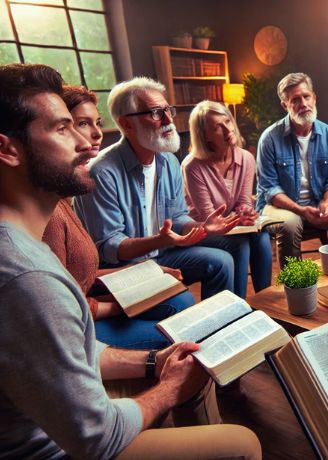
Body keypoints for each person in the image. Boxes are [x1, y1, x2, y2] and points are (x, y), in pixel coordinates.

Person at [0, 63, 260, 459]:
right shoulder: (28, 276)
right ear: (7, 149)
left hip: (157, 258)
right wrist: (169, 386)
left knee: (217, 270)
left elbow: (81, 347)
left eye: (86, 124)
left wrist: (156, 362)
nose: (88, 141)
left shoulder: (28, 245)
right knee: (244, 443)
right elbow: (95, 438)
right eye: (62, 128)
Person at [42, 85, 196, 349]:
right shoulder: (52, 213)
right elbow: (61, 308)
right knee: (186, 328)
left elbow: (82, 275)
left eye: (97, 122)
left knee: (184, 301)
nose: (96, 134)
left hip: (97, 294)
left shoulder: (64, 198)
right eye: (75, 125)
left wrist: (146, 272)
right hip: (78, 326)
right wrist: (123, 303)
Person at [74, 77, 238, 300]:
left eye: (168, 110)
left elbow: (178, 216)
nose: (168, 120)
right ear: (127, 124)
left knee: (223, 260)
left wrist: (202, 226)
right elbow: (111, 248)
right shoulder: (101, 173)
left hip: (163, 253)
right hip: (126, 268)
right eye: (155, 113)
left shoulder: (168, 161)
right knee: (183, 299)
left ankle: (226, 322)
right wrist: (163, 239)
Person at [255, 72, 328, 268]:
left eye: (306, 96)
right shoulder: (269, 139)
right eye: (295, 99)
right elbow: (270, 189)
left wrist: (327, 203)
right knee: (290, 223)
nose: (303, 103)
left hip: (317, 200)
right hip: (279, 206)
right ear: (285, 105)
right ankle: (296, 283)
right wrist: (300, 209)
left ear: (314, 97)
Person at [182, 100, 272, 298]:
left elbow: (243, 200)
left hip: (231, 223)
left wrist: (245, 211)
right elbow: (209, 216)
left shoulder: (246, 157)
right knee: (241, 244)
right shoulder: (192, 166)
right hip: (202, 229)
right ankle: (236, 306)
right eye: (217, 127)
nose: (227, 129)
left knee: (262, 236)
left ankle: (267, 301)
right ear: (204, 136)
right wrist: (240, 218)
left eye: (227, 122)